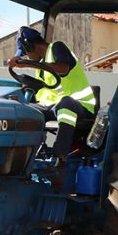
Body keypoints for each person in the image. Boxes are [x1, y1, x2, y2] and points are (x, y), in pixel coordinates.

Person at [6, 26, 97, 161]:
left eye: (26, 53)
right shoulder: (41, 65)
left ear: (30, 46)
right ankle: (21, 157)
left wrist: (28, 64)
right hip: (52, 107)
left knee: (66, 103)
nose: (27, 57)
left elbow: (63, 68)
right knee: (22, 109)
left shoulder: (57, 48)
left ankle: (60, 157)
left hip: (80, 106)